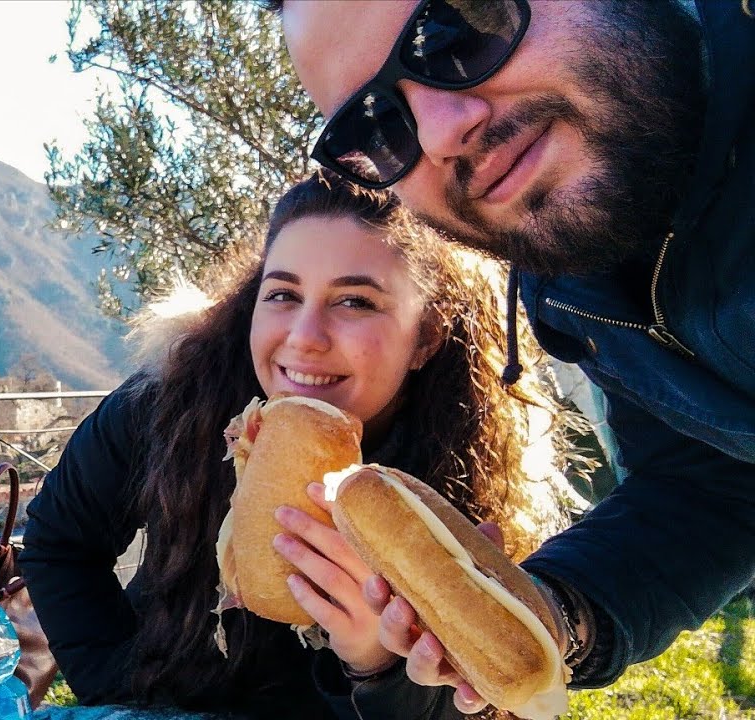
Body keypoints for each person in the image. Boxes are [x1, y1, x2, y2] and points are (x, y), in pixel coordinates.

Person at [267, 0, 755, 714]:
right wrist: (555, 614)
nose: (441, 133)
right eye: (378, 128)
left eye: (453, 31)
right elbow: (709, 486)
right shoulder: (572, 276)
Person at [20, 173, 576, 719]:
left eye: (355, 301)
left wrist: (375, 664)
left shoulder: (458, 476)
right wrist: (117, 692)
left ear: (426, 336)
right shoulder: (170, 401)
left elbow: (472, 701)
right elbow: (60, 541)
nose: (304, 337)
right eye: (283, 294)